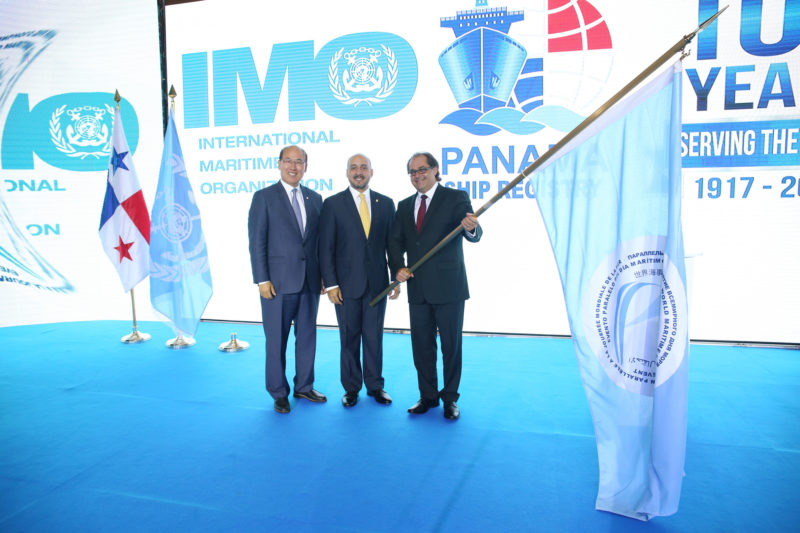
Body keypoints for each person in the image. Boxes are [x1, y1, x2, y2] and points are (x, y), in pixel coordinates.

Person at [388, 152, 482, 420]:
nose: (417, 175)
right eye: (412, 172)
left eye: (422, 170)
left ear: (435, 170)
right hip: (417, 287)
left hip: (449, 287)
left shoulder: (455, 197)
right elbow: (395, 242)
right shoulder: (404, 205)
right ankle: (427, 396)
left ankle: (450, 398)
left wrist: (471, 228)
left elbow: (474, 233)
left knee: (451, 346)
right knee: (422, 346)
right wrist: (398, 268)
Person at [247, 145, 326, 414]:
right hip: (277, 284)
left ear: (306, 166)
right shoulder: (264, 197)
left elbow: (318, 243)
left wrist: (324, 276)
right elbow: (257, 241)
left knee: (307, 337)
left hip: (310, 282)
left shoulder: (315, 198)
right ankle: (278, 392)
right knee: (276, 340)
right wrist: (262, 279)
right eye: (288, 161)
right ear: (279, 164)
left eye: (299, 162)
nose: (294, 167)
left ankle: (304, 386)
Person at [319, 154, 400, 408]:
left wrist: (395, 277)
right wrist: (331, 284)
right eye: (353, 168)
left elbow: (392, 245)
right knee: (349, 338)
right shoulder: (333, 204)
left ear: (371, 172)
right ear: (347, 172)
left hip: (378, 285)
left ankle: (375, 386)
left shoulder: (386, 203)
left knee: (374, 338)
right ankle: (351, 388)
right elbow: (325, 247)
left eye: (363, 167)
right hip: (345, 287)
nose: (358, 172)